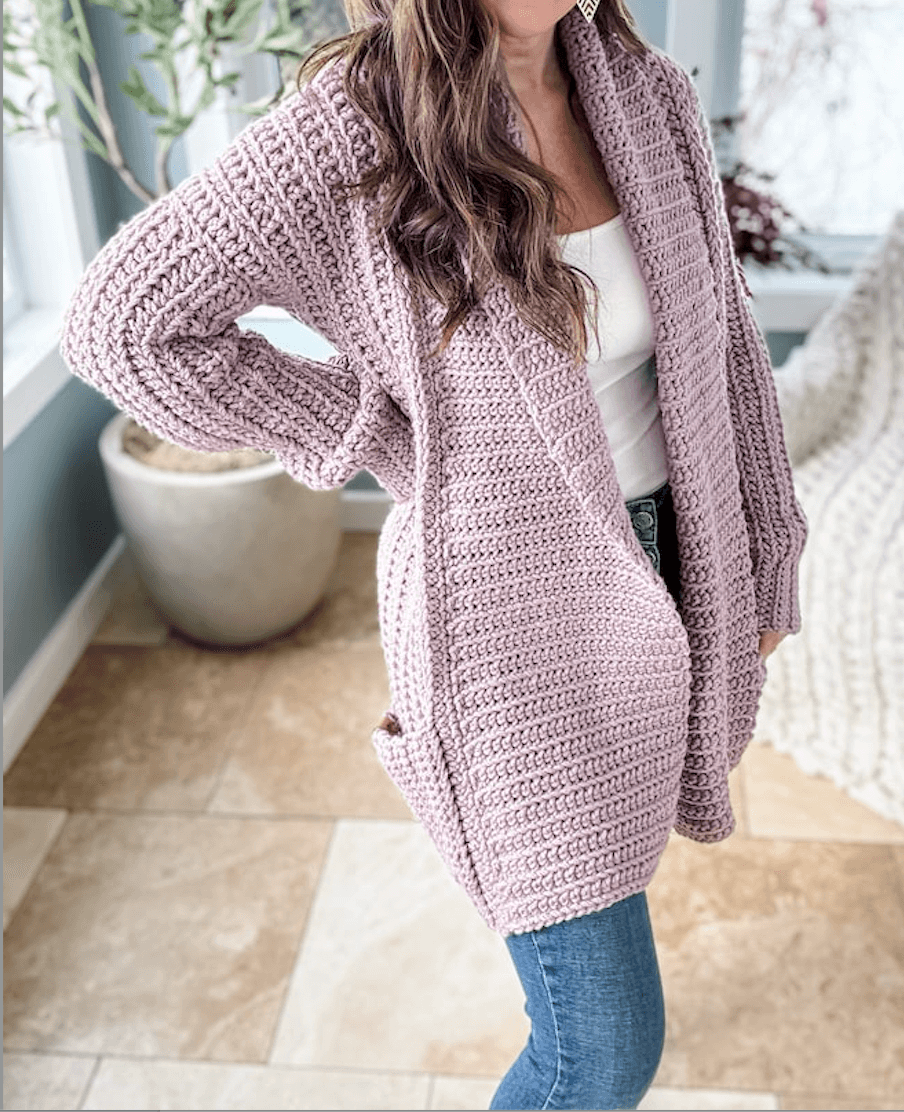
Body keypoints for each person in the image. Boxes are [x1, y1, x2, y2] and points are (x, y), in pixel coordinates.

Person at [58, 0, 808, 1107]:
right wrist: (378, 430)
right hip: (505, 627)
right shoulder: (356, 126)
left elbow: (726, 339)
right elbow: (120, 324)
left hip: (671, 561)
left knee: (618, 881)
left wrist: (767, 550)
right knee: (599, 1046)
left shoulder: (644, 95)